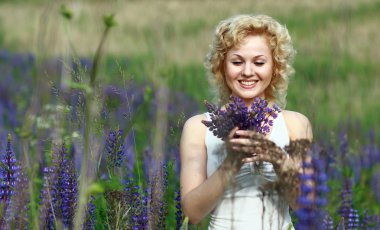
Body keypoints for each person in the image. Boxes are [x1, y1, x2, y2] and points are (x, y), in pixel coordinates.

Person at [180, 14, 313, 229]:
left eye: (259, 62)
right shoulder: (197, 128)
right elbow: (192, 213)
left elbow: (306, 206)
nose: (248, 72)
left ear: (275, 67)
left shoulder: (295, 124)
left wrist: (278, 158)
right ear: (222, 67)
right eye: (237, 62)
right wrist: (231, 163)